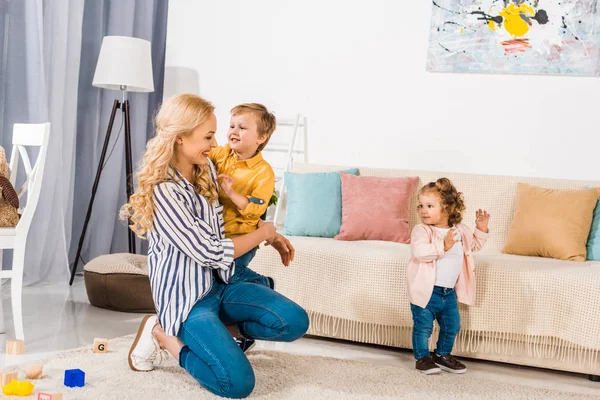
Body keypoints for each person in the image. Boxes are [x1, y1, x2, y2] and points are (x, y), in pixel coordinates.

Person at [121, 93, 309, 398]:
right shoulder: (165, 192)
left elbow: (224, 226)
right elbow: (210, 251)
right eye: (208, 136)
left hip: (221, 282)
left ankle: (224, 332)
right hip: (189, 300)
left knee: (294, 321)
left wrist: (266, 233)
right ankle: (164, 336)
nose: (215, 143)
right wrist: (264, 233)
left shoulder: (204, 168)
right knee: (237, 384)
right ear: (180, 138)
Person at [407, 178, 490, 375]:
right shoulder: (422, 230)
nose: (423, 211)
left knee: (452, 326)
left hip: (448, 293)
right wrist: (442, 246)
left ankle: (442, 355)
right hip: (426, 291)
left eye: (429, 206)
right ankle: (423, 358)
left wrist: (482, 228)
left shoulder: (459, 230)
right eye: (421, 206)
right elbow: (420, 251)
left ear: (447, 207)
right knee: (423, 327)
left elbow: (475, 245)